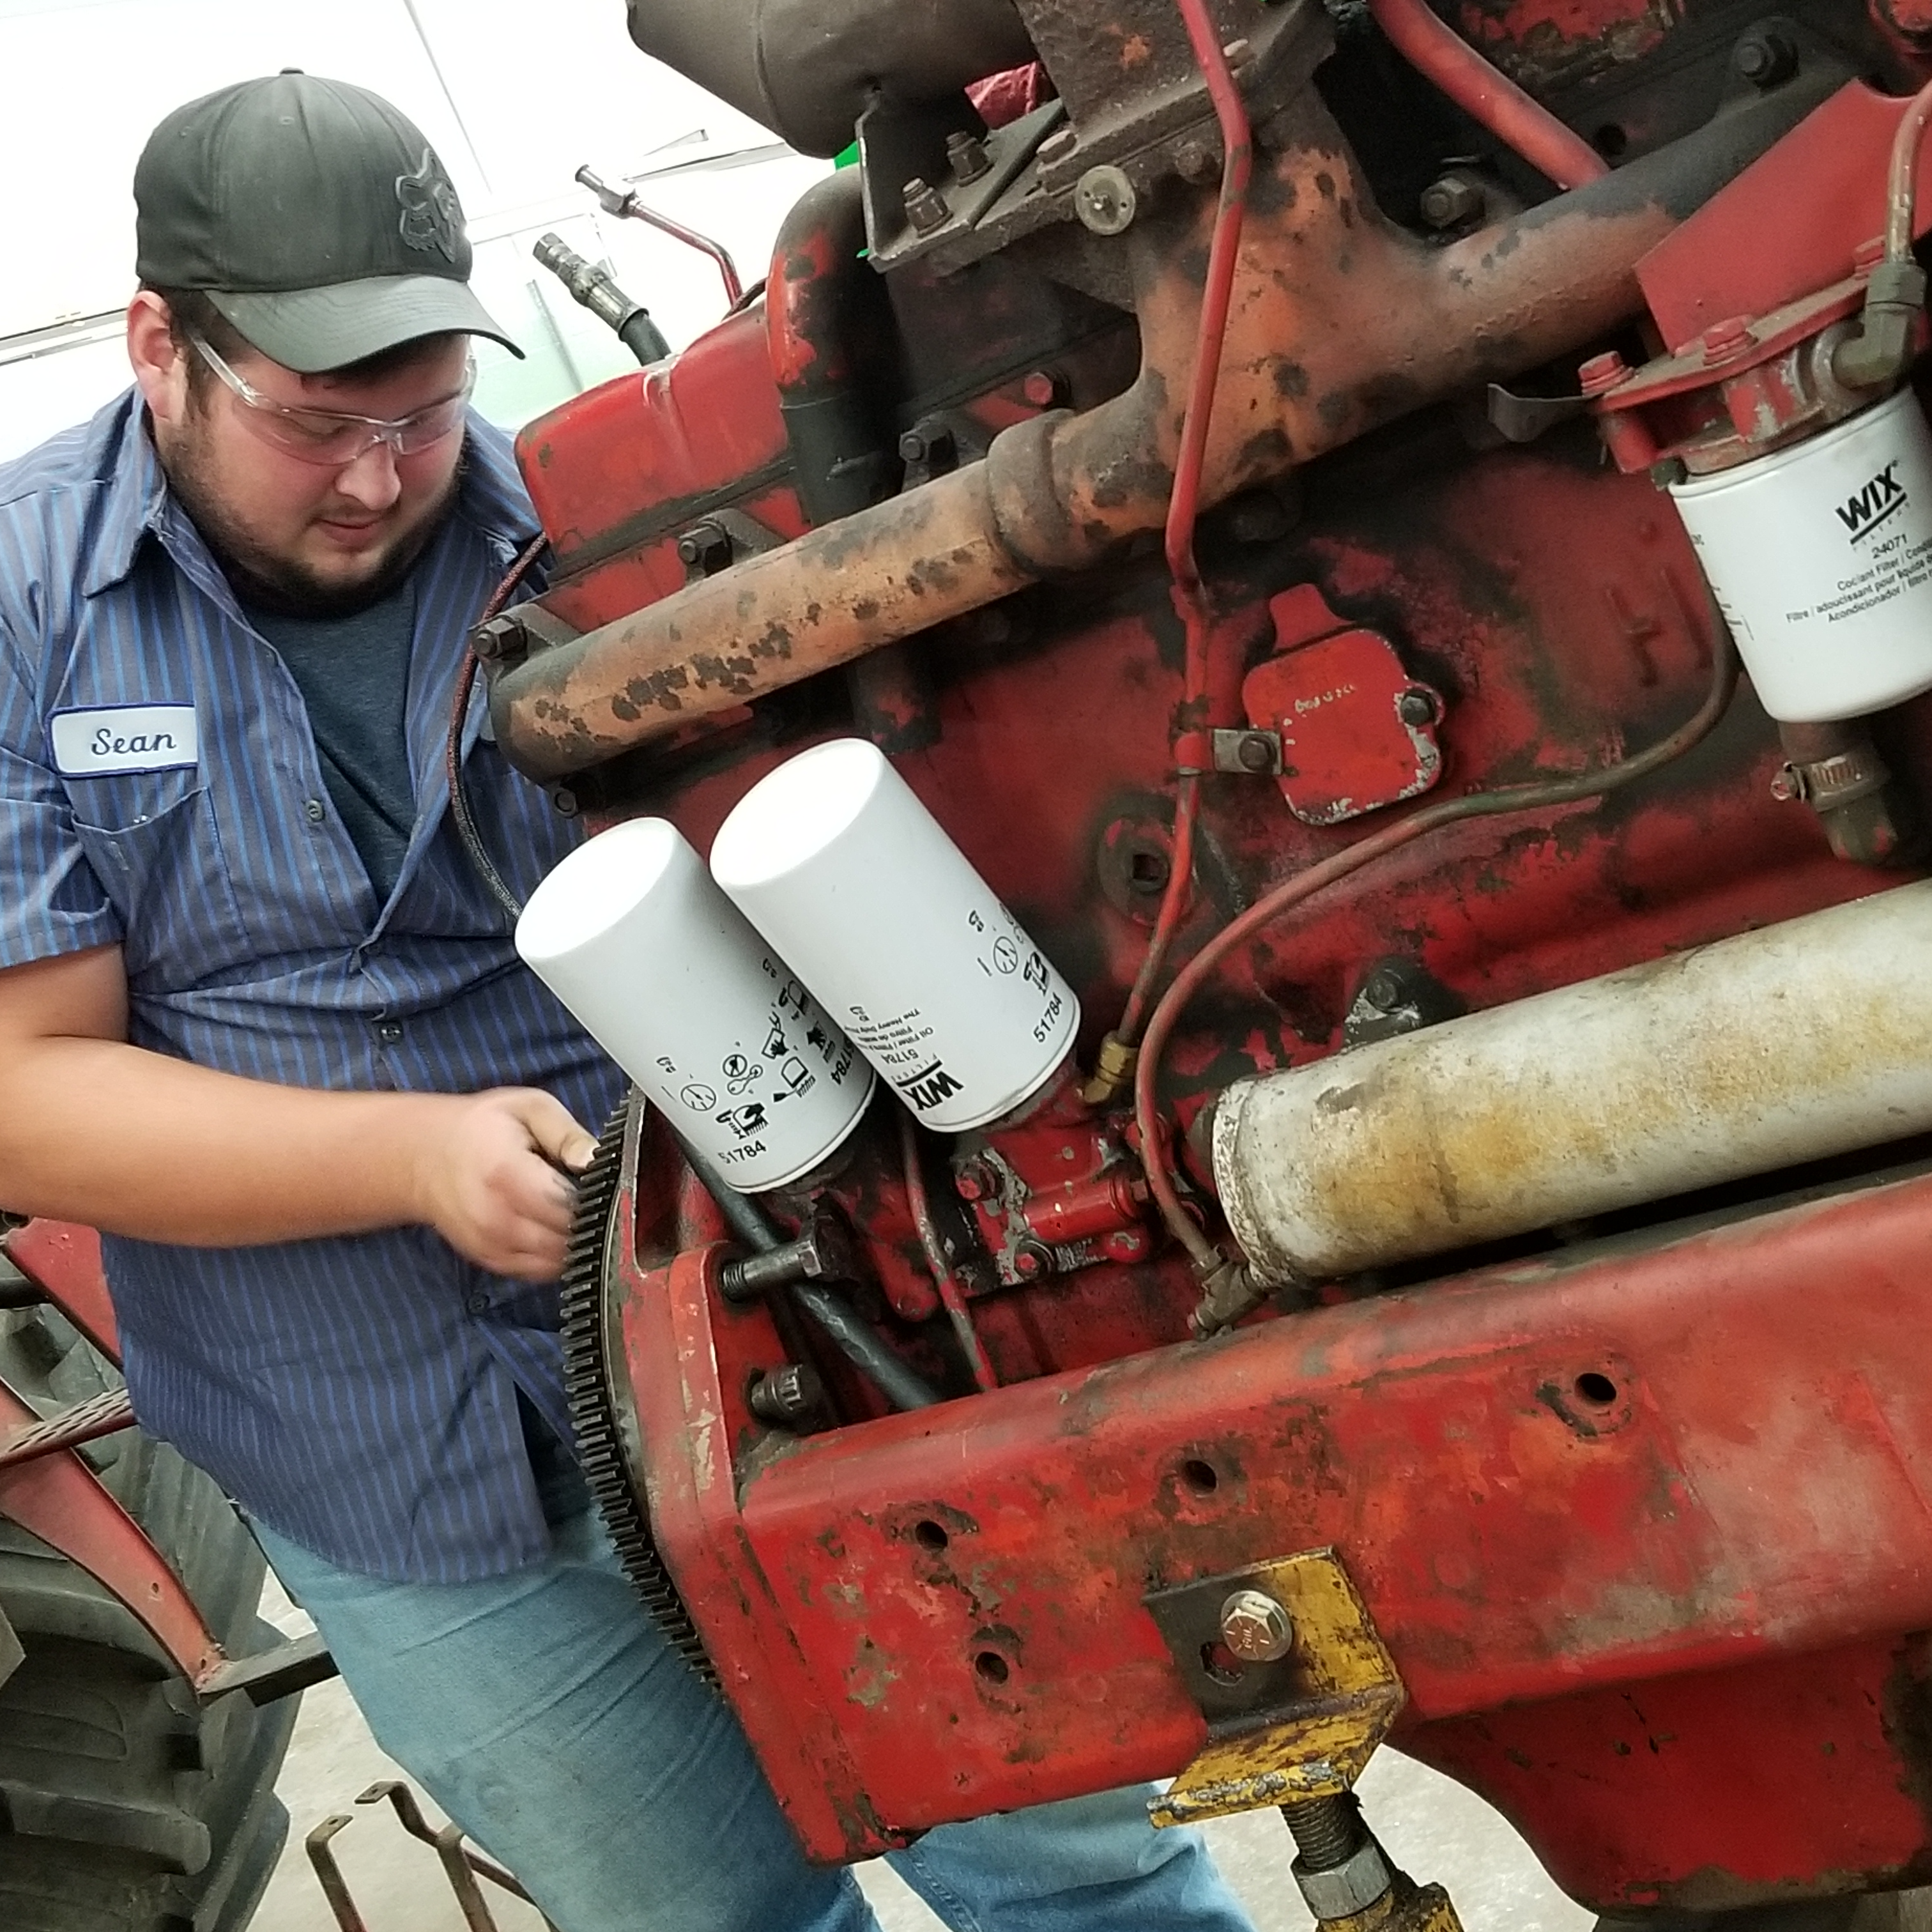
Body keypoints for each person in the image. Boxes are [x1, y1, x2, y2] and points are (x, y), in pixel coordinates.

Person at [0, 71, 1261, 1932]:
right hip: (394, 1462)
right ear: (159, 345)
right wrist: (414, 1161)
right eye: (320, 422)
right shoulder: (27, 603)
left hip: (820, 1359)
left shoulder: (595, 520)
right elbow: (29, 1085)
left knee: (1087, 1884)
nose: (377, 476)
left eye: (424, 412)